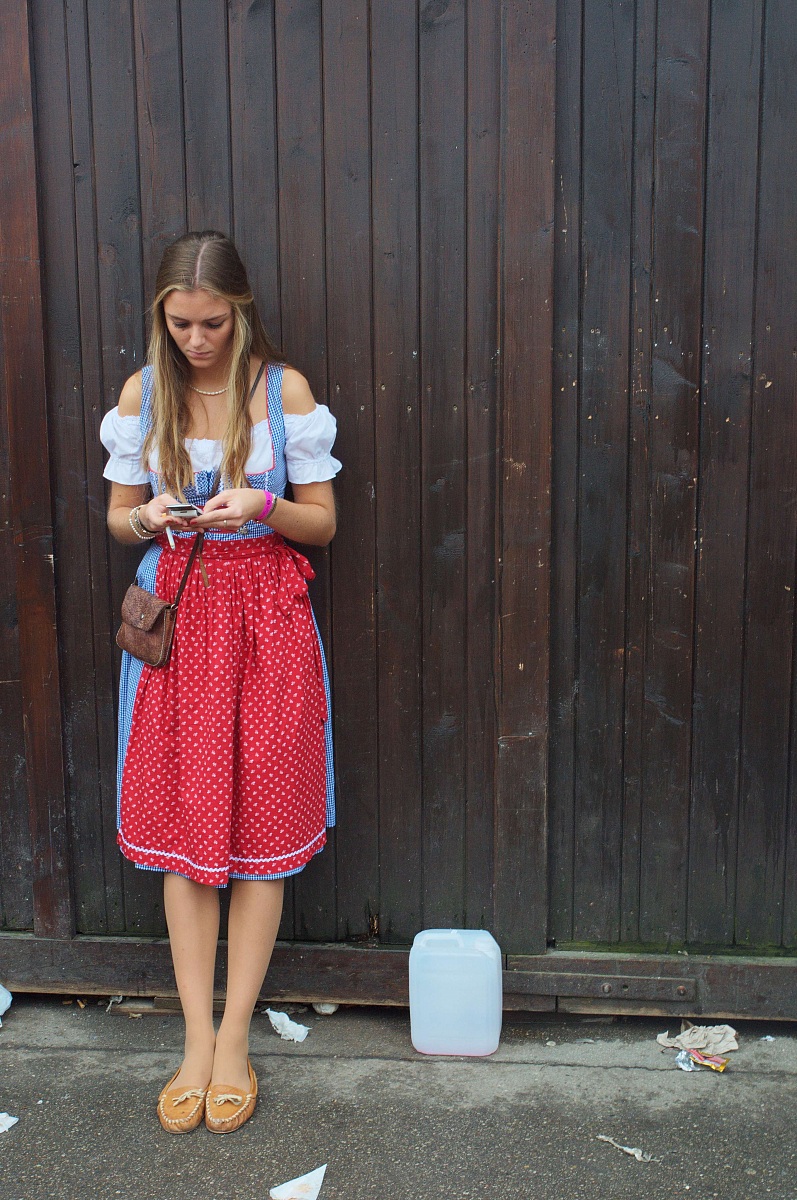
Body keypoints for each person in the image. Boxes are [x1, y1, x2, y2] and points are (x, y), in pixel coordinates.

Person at [100, 231, 340, 1134]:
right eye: (180, 323)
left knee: (262, 820)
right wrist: (150, 514)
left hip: (267, 624)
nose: (196, 340)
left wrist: (263, 506)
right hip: (178, 624)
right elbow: (119, 517)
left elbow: (322, 524)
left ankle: (236, 1035)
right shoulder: (143, 394)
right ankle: (194, 1038)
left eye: (212, 322)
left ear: (241, 310)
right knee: (183, 828)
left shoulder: (284, 395)